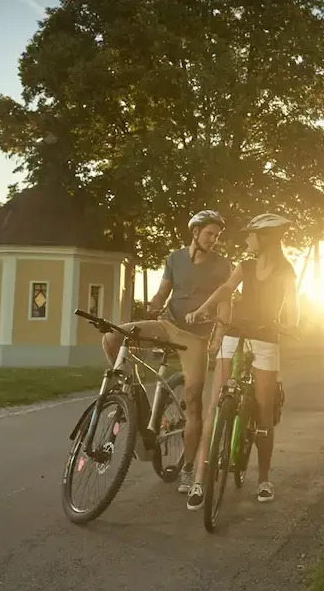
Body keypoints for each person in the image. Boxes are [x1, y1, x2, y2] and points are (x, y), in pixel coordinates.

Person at [101, 209, 232, 495]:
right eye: (210, 233)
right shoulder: (174, 259)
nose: (214, 239)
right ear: (195, 232)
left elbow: (224, 303)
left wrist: (218, 336)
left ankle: (187, 469)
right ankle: (132, 397)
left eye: (217, 236)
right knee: (112, 338)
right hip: (166, 325)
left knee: (194, 401)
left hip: (196, 338)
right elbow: (164, 291)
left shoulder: (223, 265)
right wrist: (155, 302)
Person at [183, 213, 298, 507]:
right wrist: (202, 309)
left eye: (250, 235)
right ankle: (198, 480)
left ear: (264, 239)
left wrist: (291, 323)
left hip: (266, 339)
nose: (246, 240)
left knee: (263, 410)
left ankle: (263, 480)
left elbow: (291, 305)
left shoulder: (286, 269)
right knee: (214, 405)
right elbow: (225, 290)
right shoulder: (244, 266)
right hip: (234, 335)